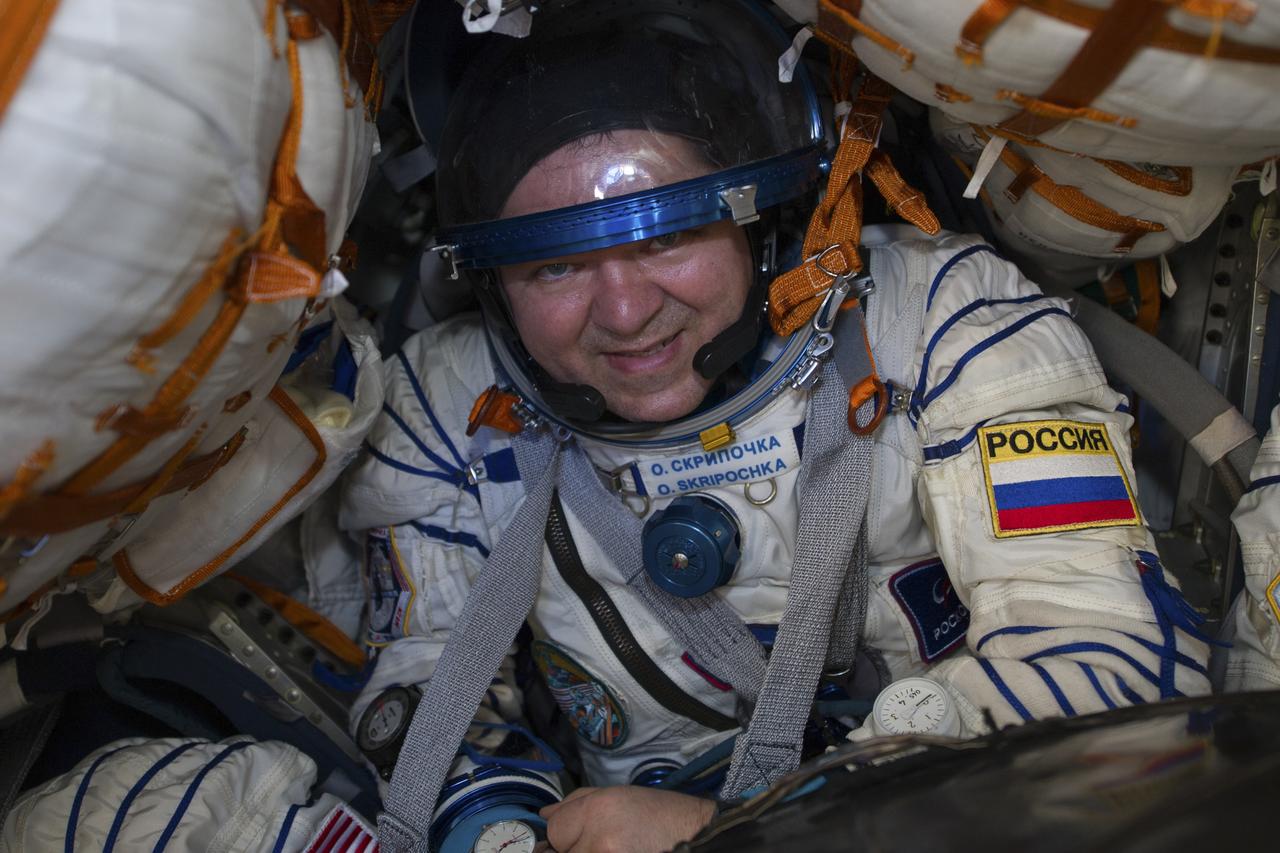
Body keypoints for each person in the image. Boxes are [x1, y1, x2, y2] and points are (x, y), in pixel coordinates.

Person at [340, 2, 1213, 850]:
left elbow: (1117, 679)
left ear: (760, 216)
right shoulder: (449, 404)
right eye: (555, 262)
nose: (623, 310)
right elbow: (423, 687)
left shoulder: (943, 319)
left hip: (945, 800)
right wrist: (498, 826)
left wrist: (748, 831)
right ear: (489, 276)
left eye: (663, 236)